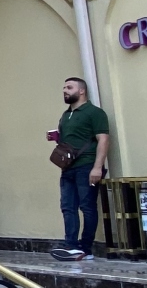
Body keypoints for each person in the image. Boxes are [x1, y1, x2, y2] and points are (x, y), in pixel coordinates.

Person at [50, 76, 110, 262]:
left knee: (87, 207)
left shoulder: (94, 112)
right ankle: (71, 245)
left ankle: (86, 248)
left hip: (87, 166)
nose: (65, 91)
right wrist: (56, 138)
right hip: (68, 168)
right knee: (67, 207)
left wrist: (97, 167)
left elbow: (103, 139)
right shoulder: (65, 115)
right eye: (64, 88)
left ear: (81, 91)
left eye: (69, 87)